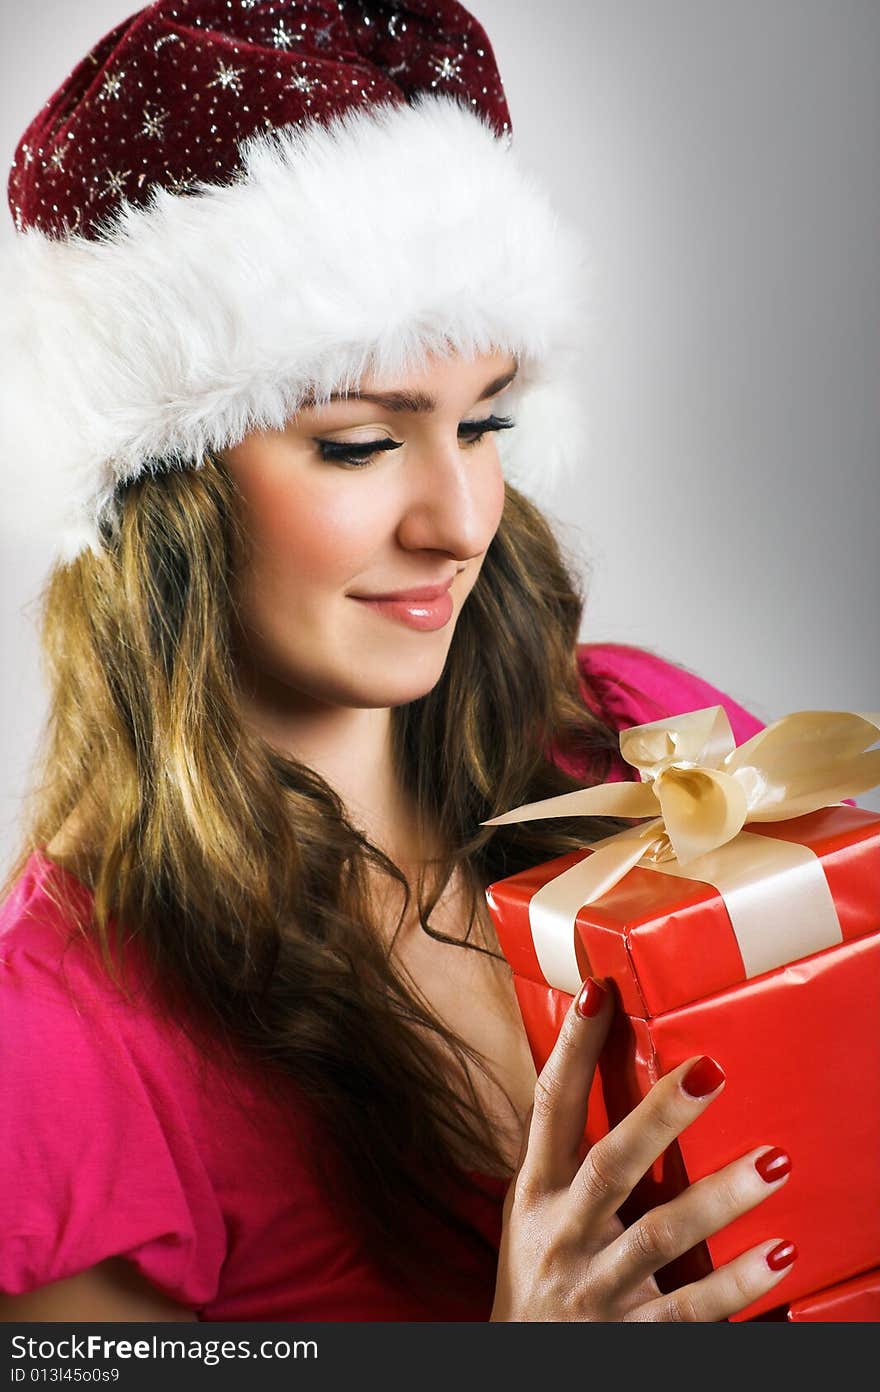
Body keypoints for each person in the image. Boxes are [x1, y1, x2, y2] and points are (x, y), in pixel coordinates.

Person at [0, 1, 797, 1322]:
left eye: (483, 422)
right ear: (156, 491)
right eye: (361, 443)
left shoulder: (652, 744)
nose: (461, 519)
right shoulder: (60, 1066)